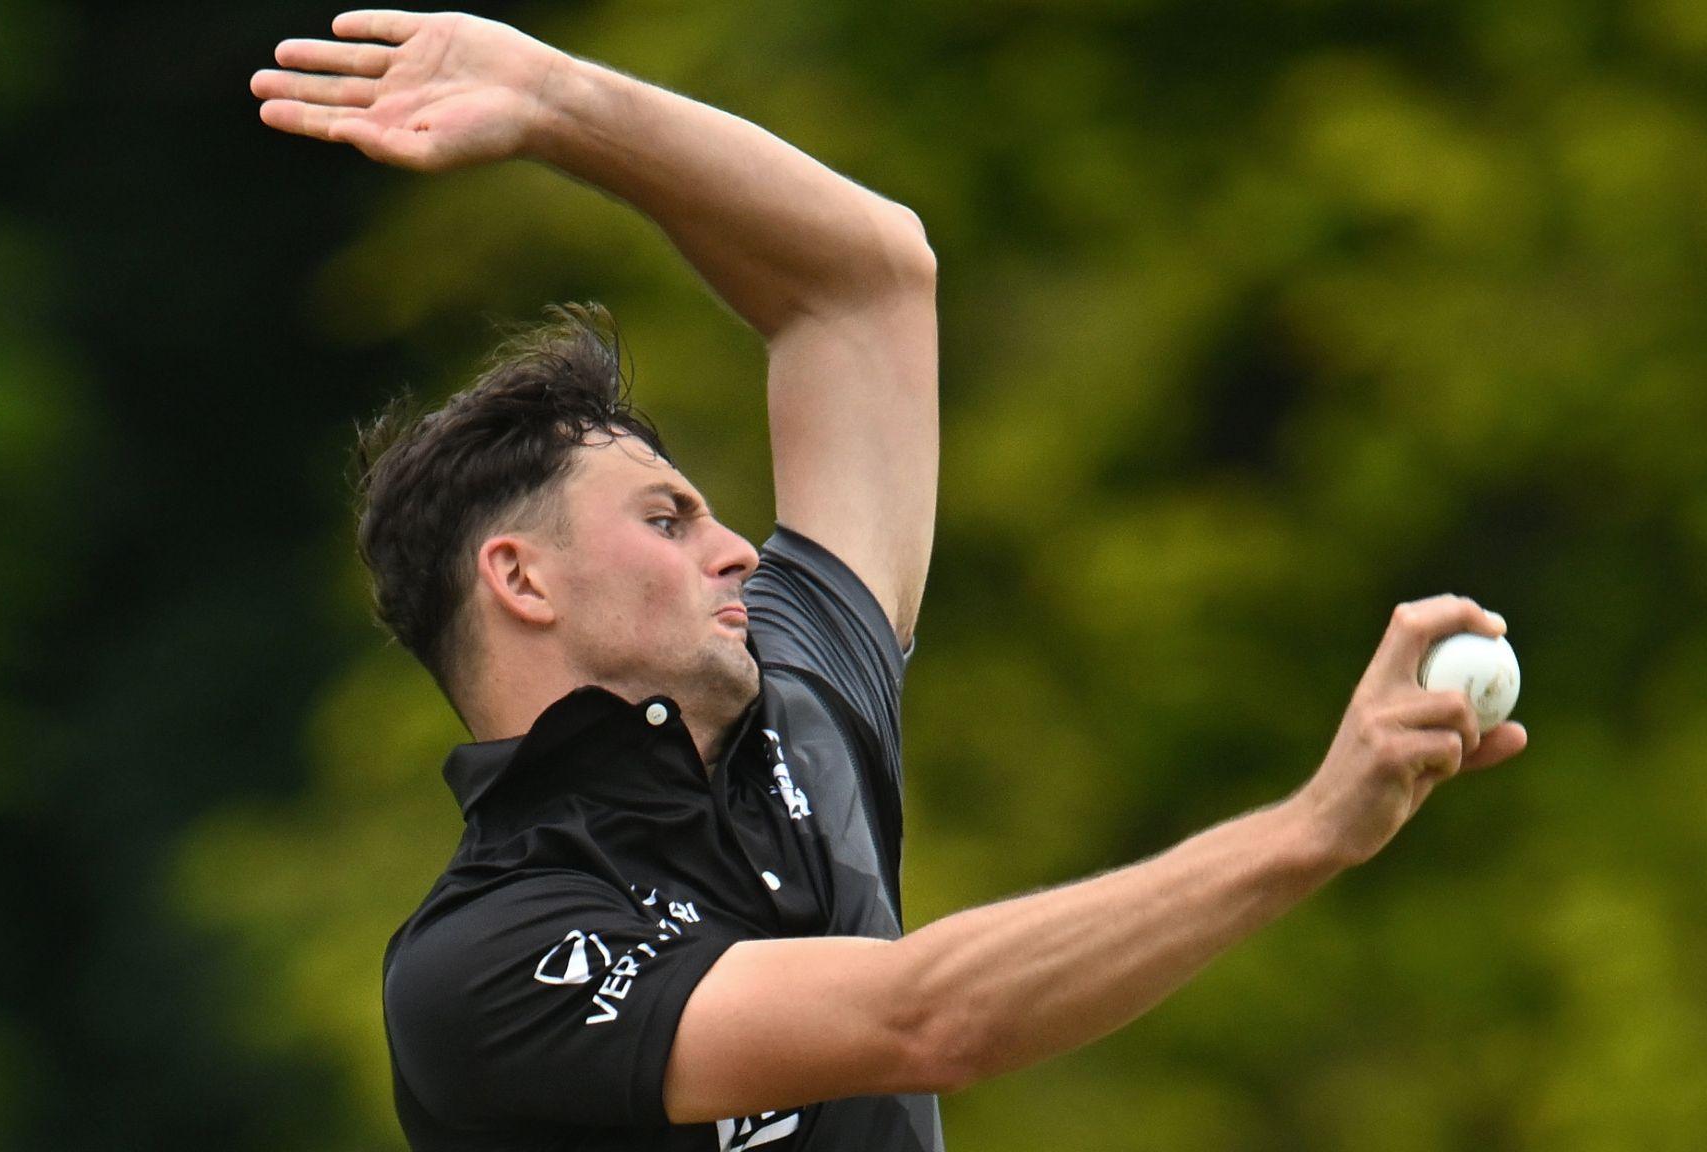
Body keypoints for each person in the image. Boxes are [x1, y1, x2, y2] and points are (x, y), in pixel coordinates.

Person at [252, 10, 1531, 1151]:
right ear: (520, 580)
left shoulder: (790, 691)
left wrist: (561, 104)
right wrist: (1312, 827)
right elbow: (931, 1021)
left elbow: (863, 286)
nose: (735, 546)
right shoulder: (484, 961)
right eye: (666, 517)